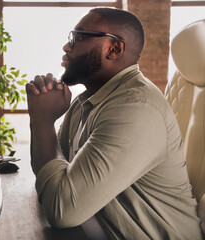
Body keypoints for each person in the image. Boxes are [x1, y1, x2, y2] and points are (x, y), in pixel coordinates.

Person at [26, 7, 202, 239]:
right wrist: (42, 120)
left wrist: (42, 120)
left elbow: (62, 209)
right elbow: (51, 178)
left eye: (78, 37)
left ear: (114, 48)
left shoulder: (135, 107)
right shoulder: (84, 102)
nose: (67, 47)